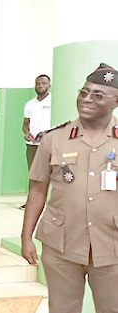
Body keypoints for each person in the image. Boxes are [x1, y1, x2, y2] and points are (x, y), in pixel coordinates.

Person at [21, 63, 118, 313]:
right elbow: (37, 190)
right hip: (61, 246)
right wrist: (26, 237)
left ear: (116, 101)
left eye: (98, 95)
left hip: (113, 248)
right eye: (83, 92)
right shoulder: (55, 138)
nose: (87, 99)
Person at [20, 75, 52, 209]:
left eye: (43, 83)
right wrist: (27, 133)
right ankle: (31, 202)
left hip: (49, 145)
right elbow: (25, 124)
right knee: (33, 174)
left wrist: (46, 134)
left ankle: (49, 202)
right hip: (32, 145)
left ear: (49, 84)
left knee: (50, 173)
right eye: (38, 83)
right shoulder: (30, 104)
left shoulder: (54, 102)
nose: (40, 86)